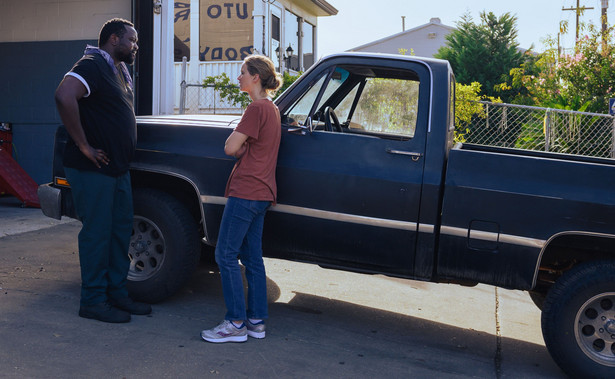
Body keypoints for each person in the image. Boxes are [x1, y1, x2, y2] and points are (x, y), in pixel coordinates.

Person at [54, 18, 151, 323]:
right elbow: (64, 95)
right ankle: (93, 300)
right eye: (131, 40)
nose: (135, 46)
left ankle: (116, 294)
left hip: (117, 169)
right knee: (97, 234)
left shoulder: (119, 71)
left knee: (120, 232)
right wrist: (83, 145)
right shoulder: (92, 63)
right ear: (113, 39)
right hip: (92, 167)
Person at [201, 55, 283, 343]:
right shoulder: (272, 109)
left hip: (246, 191)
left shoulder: (256, 108)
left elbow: (230, 147)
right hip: (263, 193)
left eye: (243, 73)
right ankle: (256, 322)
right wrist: (243, 145)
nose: (239, 78)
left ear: (256, 78)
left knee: (224, 255)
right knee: (252, 259)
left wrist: (239, 144)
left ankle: (235, 323)